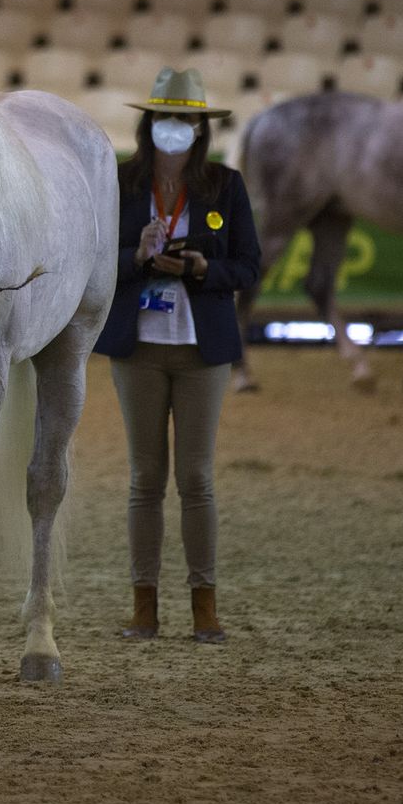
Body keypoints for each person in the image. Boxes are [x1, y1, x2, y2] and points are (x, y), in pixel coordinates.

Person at [93, 68, 261, 644]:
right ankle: (144, 606)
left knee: (196, 478)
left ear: (200, 127)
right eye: (166, 117)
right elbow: (95, 263)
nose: (175, 128)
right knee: (145, 478)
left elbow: (249, 266)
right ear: (149, 124)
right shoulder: (119, 184)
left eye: (186, 119)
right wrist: (136, 257)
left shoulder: (225, 186)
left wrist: (200, 269)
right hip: (137, 347)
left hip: (202, 347)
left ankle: (204, 606)